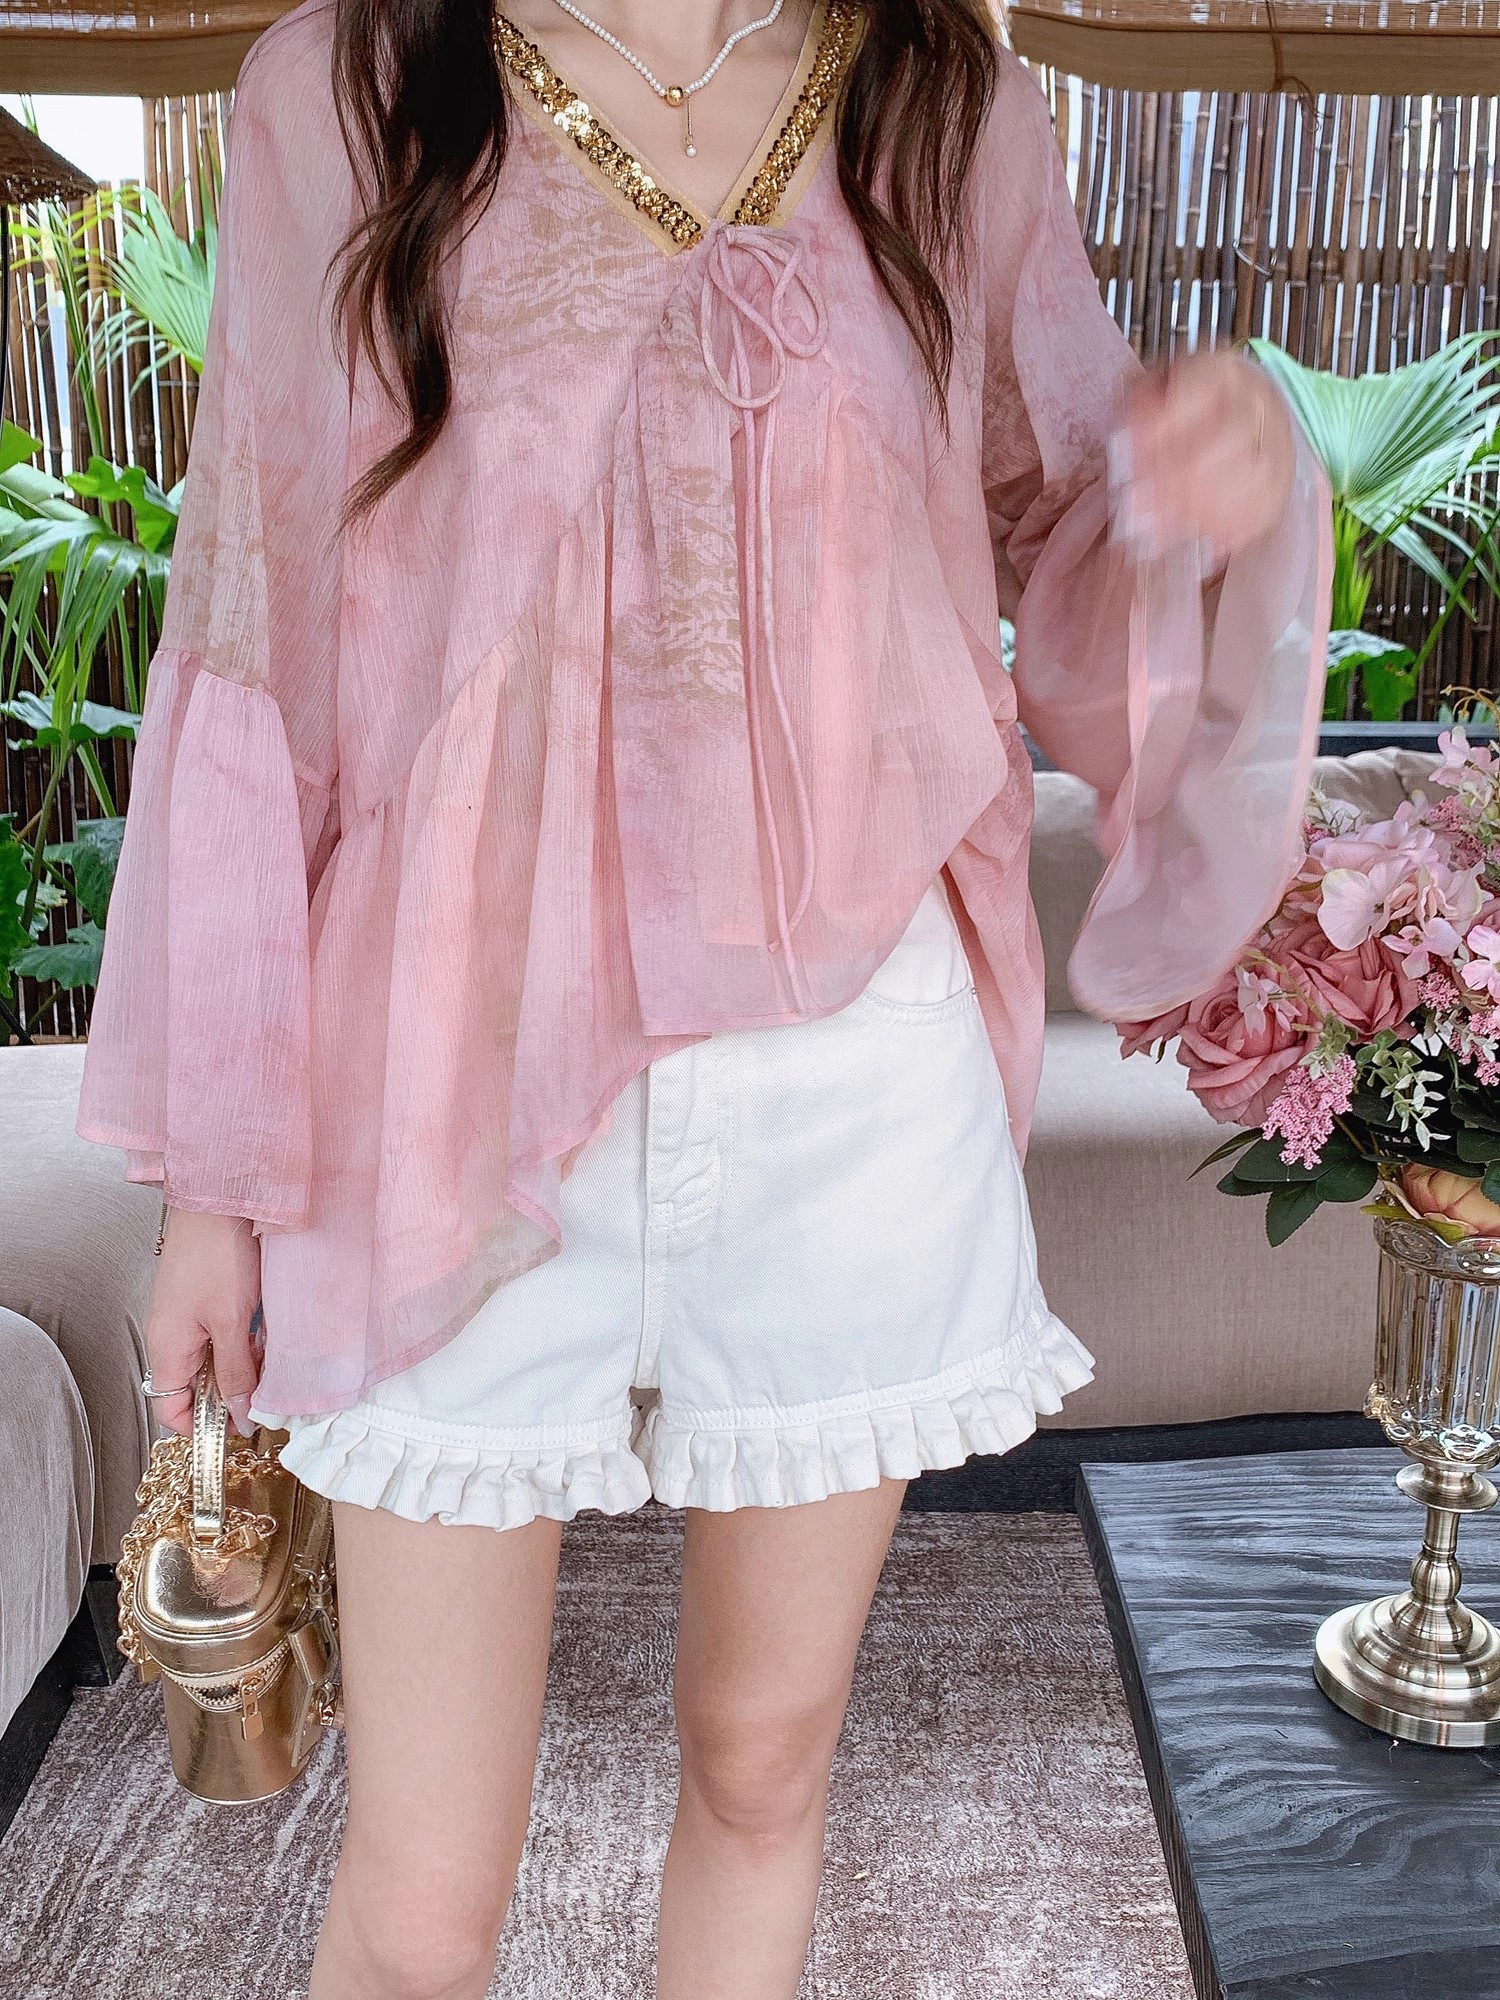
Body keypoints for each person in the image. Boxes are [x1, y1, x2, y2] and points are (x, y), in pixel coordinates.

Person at [75, 1, 1329, 1994]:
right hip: (448, 1071)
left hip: (858, 1065)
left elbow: (1066, 528)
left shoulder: (943, 92)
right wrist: (213, 1185)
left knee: (762, 1769)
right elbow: (258, 613)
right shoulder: (350, 83)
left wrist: (1209, 482)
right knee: (424, 1889)